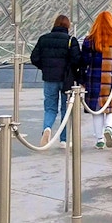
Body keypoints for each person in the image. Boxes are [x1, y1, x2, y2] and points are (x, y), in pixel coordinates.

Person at [81, 11, 112, 149]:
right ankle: (109, 128)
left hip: (94, 79)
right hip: (111, 79)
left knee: (96, 110)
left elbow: (84, 60)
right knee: (111, 108)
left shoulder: (89, 40)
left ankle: (99, 140)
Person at [29, 14, 81, 148]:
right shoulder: (71, 40)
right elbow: (77, 60)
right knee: (65, 109)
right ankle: (63, 140)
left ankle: (47, 128)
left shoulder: (44, 39)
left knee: (50, 108)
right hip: (66, 80)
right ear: (67, 26)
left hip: (49, 78)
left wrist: (45, 67)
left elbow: (34, 58)